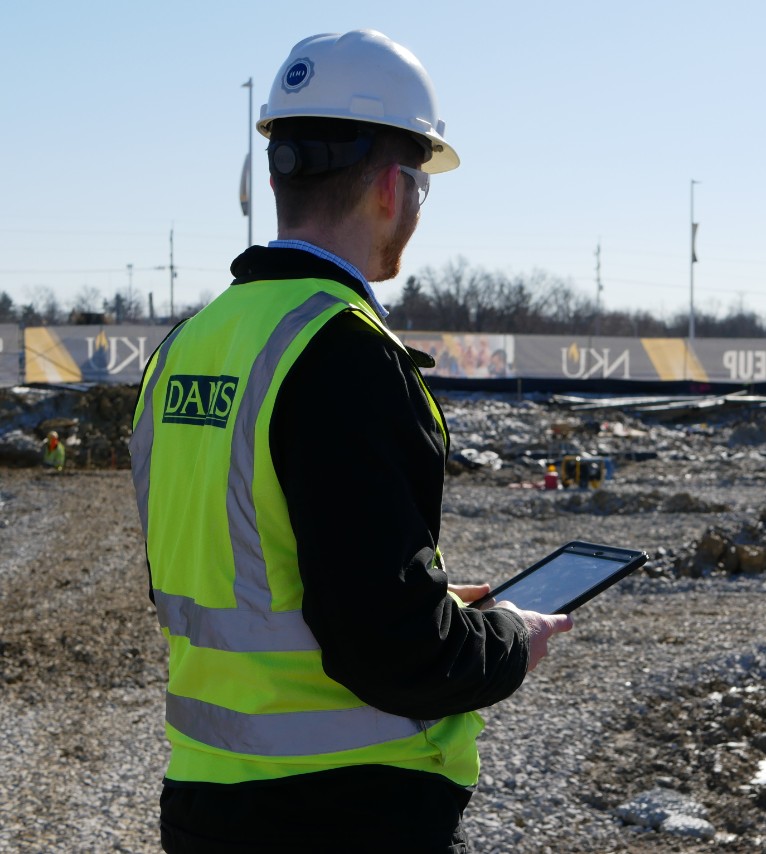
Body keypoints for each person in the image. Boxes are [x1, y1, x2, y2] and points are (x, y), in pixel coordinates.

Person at [128, 30, 572, 852]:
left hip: (203, 800)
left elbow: (249, 579)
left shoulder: (188, 345)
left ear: (275, 176)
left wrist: (418, 598)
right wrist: (512, 639)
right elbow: (394, 656)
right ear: (396, 190)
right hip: (345, 810)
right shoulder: (342, 353)